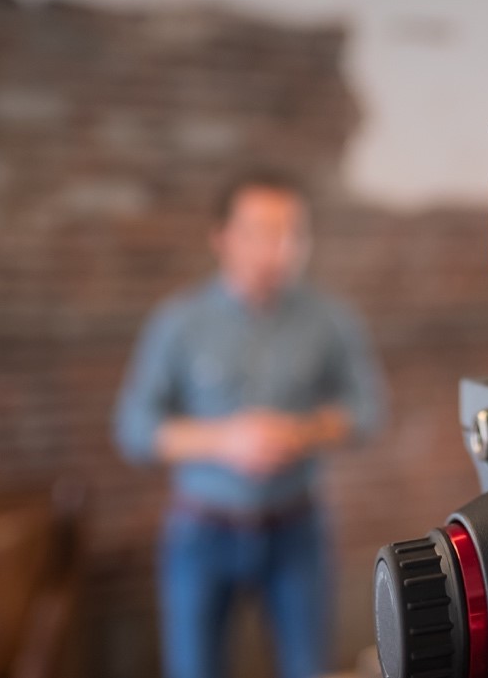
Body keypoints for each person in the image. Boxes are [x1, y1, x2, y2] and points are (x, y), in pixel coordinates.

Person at [114, 170, 386, 678]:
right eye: (260, 232)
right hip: (200, 531)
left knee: (309, 667)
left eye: (292, 234)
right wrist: (224, 440)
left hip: (297, 528)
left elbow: (367, 409)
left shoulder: (331, 319)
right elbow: (133, 428)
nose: (278, 249)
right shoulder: (178, 322)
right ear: (222, 238)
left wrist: (301, 433)